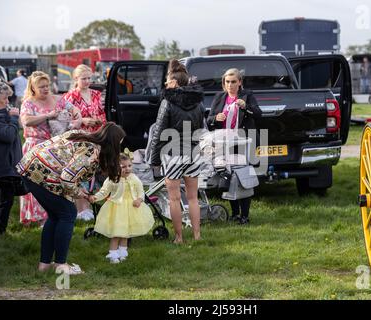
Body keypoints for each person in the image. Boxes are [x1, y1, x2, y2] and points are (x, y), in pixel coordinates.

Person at [16, 122, 126, 274]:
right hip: (40, 172)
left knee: (56, 216)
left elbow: (67, 169)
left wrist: (77, 189)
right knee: (68, 214)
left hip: (31, 165)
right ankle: (61, 265)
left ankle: (44, 265)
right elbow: (67, 178)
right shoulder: (90, 151)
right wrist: (79, 193)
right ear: (111, 143)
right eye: (118, 145)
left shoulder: (83, 135)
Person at [149, 59, 205, 244]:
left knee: (174, 198)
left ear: (173, 82)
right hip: (193, 152)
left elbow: (158, 132)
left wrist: (154, 159)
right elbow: (201, 129)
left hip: (172, 154)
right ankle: (197, 235)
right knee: (193, 197)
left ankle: (179, 237)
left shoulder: (168, 102)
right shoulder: (199, 103)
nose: (165, 83)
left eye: (167, 80)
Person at [19, 71, 81, 226]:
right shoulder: (28, 103)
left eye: (47, 86)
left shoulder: (57, 99)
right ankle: (36, 217)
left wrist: (77, 119)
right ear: (33, 88)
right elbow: (26, 121)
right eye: (41, 87)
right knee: (36, 183)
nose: (46, 89)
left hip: (54, 147)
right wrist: (49, 115)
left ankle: (51, 214)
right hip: (35, 147)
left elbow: (74, 110)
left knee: (52, 183)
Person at [207, 68, 262, 225]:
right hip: (224, 144)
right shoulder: (219, 97)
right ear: (224, 83)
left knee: (243, 177)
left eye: (233, 82)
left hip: (244, 143)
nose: (230, 85)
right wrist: (215, 118)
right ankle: (235, 213)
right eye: (227, 82)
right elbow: (209, 120)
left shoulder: (247, 96)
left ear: (240, 83)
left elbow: (258, 114)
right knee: (229, 177)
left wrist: (246, 107)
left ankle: (245, 215)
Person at [88, 151, 154, 263]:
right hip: (116, 209)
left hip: (131, 209)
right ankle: (113, 254)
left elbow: (141, 192)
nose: (127, 169)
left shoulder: (134, 178)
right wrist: (95, 197)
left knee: (125, 233)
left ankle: (123, 252)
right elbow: (104, 192)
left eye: (129, 166)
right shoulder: (112, 179)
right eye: (123, 167)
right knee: (116, 233)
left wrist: (139, 199)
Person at [63, 64, 107, 221]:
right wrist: (83, 120)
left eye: (89, 78)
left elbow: (103, 114)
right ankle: (81, 209)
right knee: (80, 171)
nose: (88, 81)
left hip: (96, 136)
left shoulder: (96, 94)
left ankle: (94, 205)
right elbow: (65, 120)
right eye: (84, 78)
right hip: (80, 138)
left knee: (95, 171)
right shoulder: (70, 96)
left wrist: (97, 121)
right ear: (76, 79)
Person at [0, 81, 22, 240]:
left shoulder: (3, 113)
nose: (8, 99)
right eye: (5, 96)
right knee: (3, 203)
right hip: (1, 167)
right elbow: (9, 136)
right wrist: (14, 119)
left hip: (5, 166)